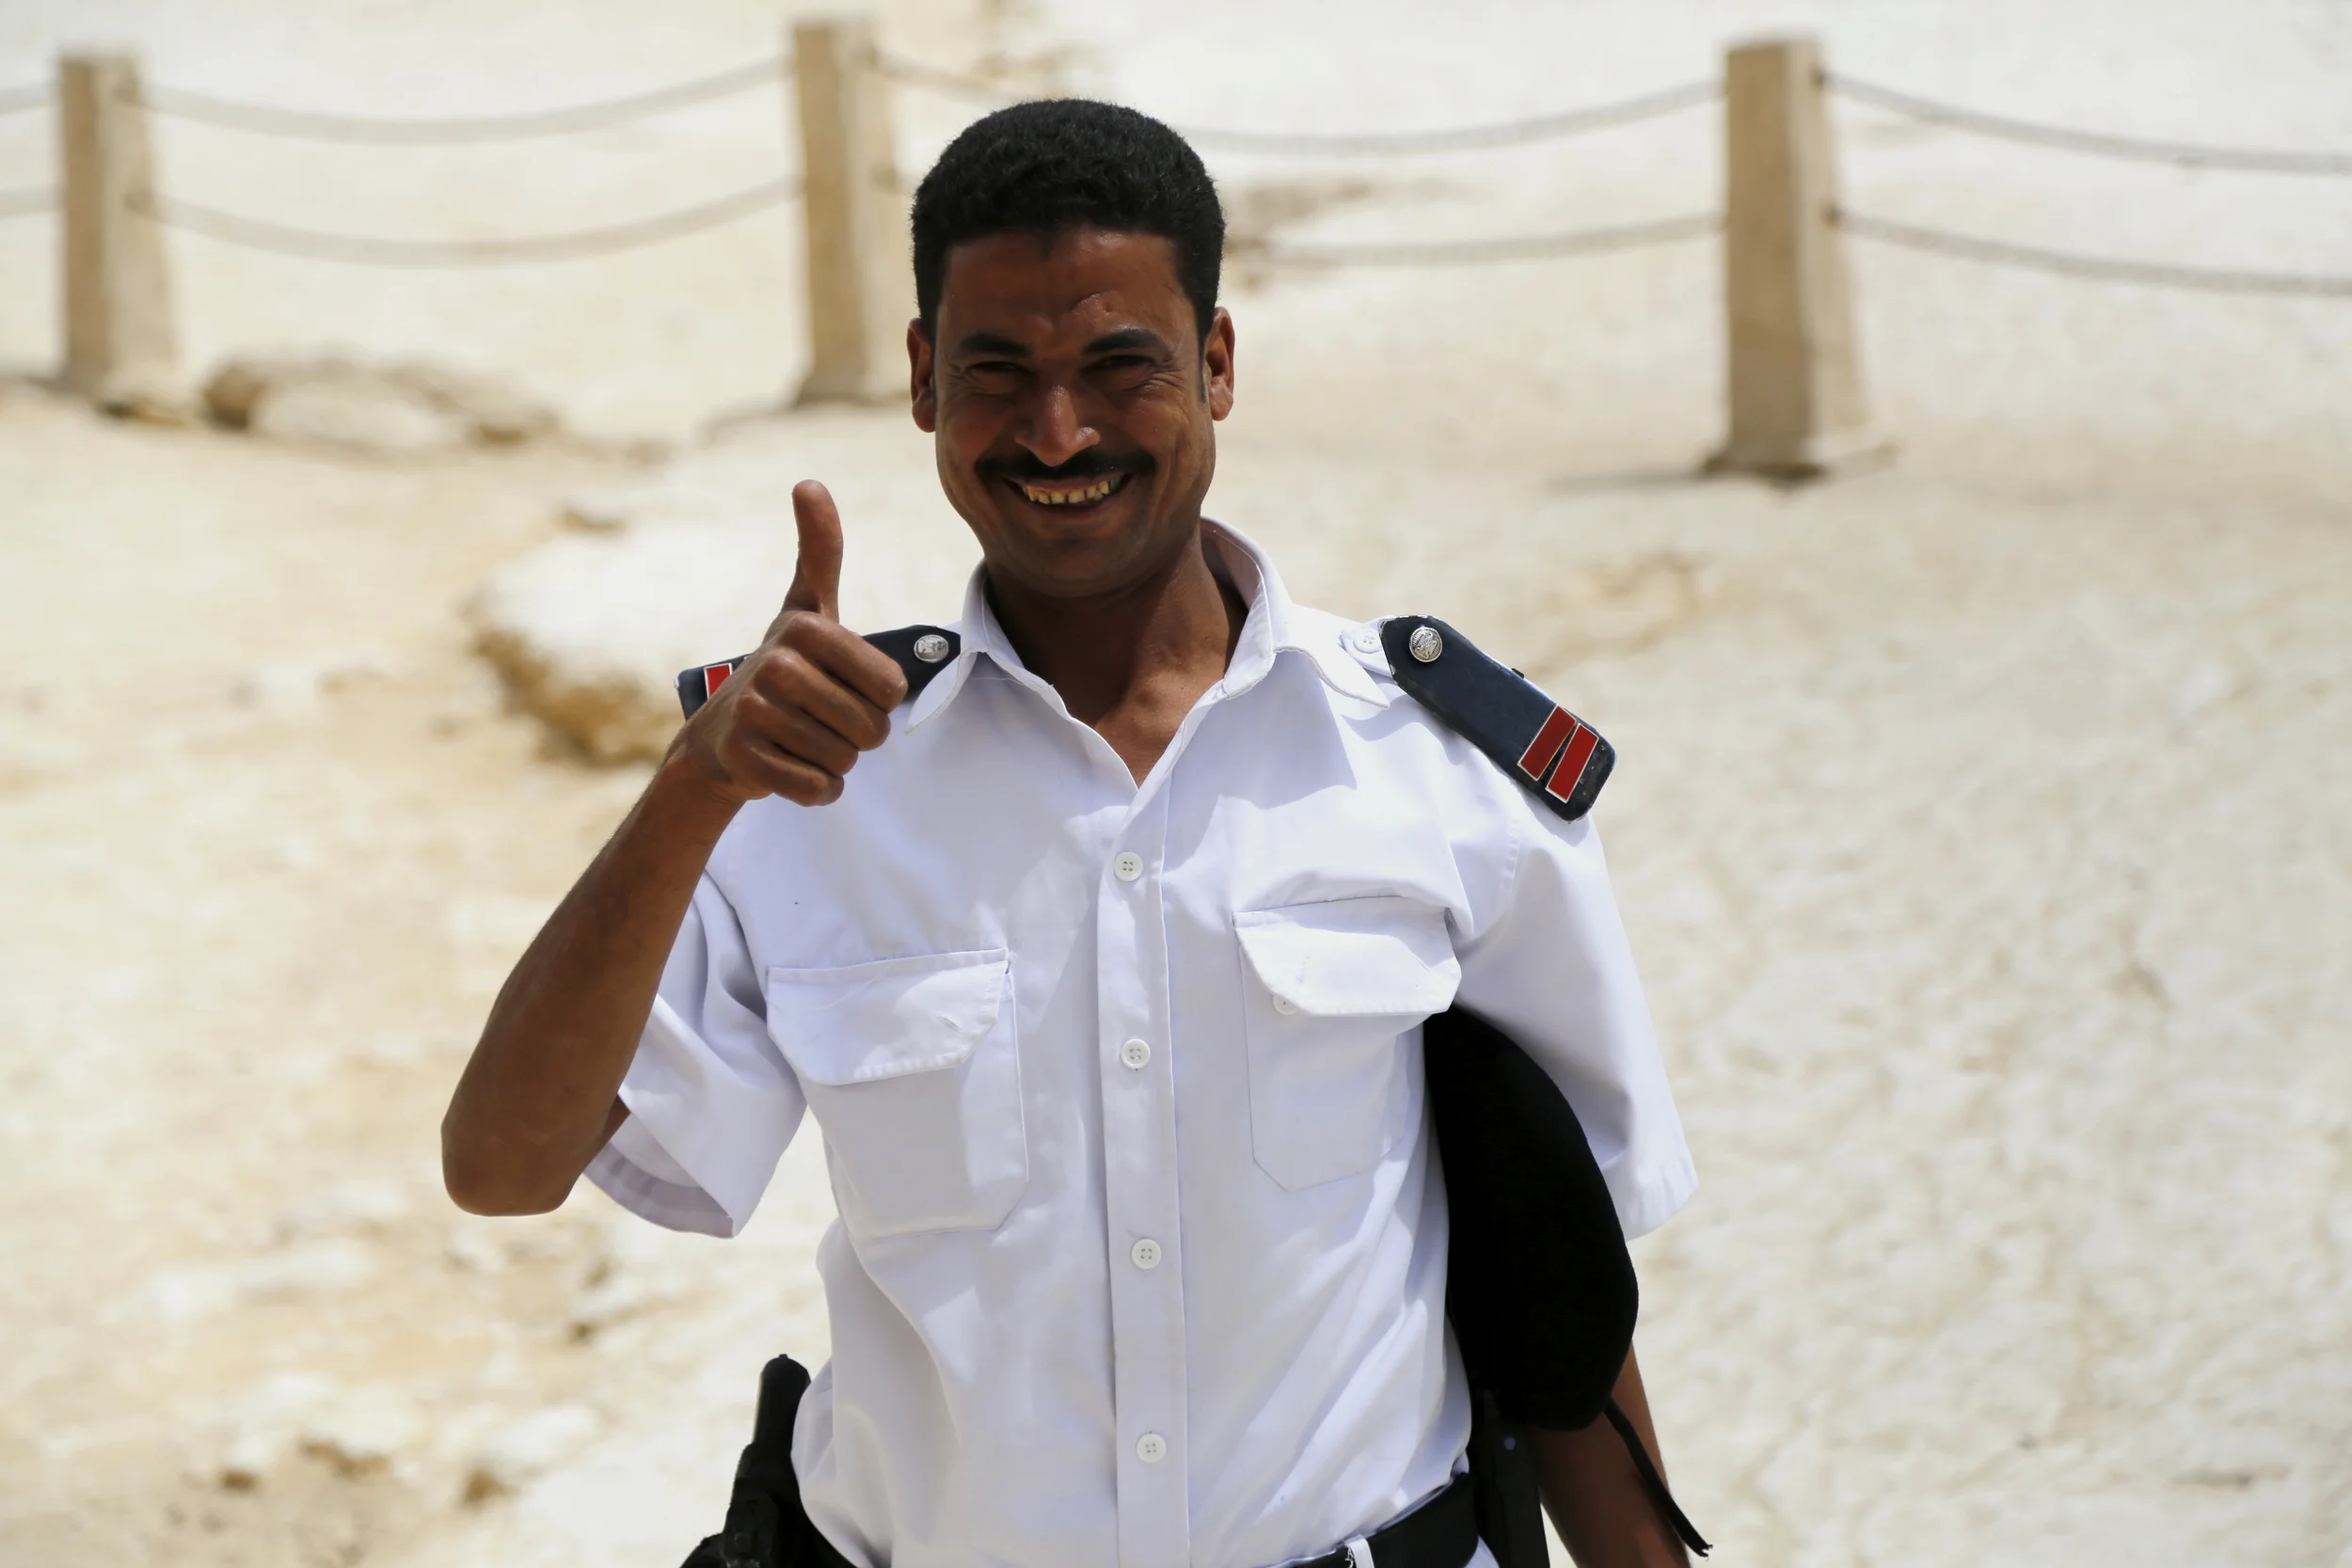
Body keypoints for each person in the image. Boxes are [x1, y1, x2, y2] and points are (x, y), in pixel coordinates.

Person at [441, 98, 1698, 1568]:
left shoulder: (1437, 770)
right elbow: (502, 1164)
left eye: (1119, 366)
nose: (1057, 432)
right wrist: (691, 791)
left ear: (1216, 365)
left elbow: (1555, 1275)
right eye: (998, 372)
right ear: (920, 380)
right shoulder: (808, 783)